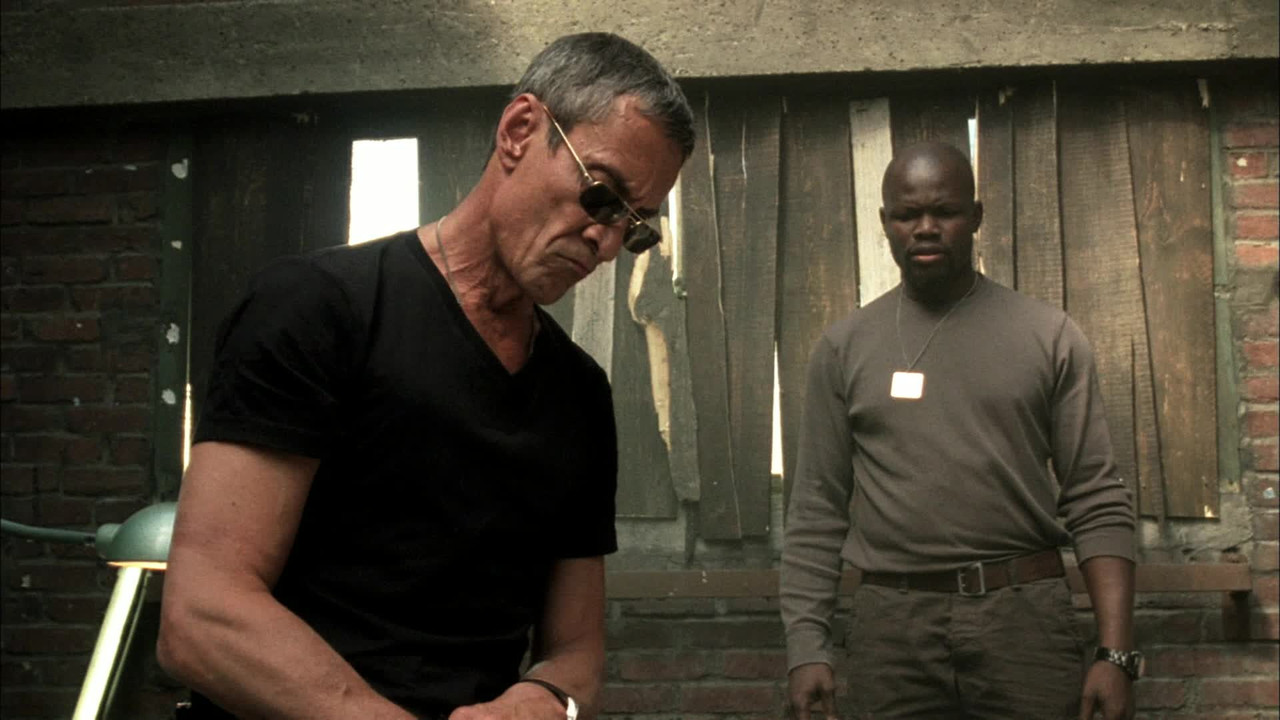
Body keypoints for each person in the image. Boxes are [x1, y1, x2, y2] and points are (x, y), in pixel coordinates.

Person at [156, 32, 694, 720]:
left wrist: (544, 701)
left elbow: (576, 653)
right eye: (602, 196)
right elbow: (203, 615)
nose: (608, 243)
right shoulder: (316, 310)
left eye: (636, 227)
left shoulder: (580, 393)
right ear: (520, 131)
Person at [780, 141, 1140, 720]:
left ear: (975, 216)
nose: (925, 228)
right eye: (907, 214)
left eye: (944, 211)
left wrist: (1115, 654)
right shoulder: (844, 348)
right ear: (885, 223)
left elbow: (1096, 497)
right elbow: (817, 509)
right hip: (892, 630)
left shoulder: (1048, 336)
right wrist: (806, 647)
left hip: (1023, 622)